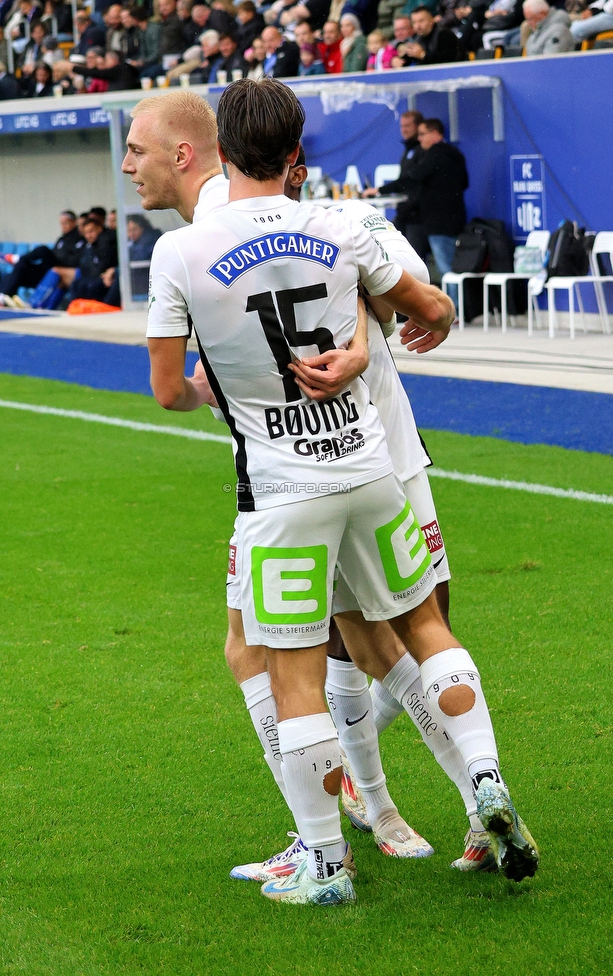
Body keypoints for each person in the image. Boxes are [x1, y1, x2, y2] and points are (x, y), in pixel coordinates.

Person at [140, 81, 538, 904]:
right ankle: (465, 793)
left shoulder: (199, 234)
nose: (127, 166)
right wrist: (370, 338)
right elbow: (422, 297)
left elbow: (171, 385)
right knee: (404, 628)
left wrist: (233, 387)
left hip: (298, 468)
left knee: (281, 652)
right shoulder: (328, 217)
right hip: (374, 460)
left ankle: (327, 844)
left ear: (199, 151)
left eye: (138, 150)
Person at [379, 117, 468, 278]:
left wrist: (380, 190)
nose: (419, 139)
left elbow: (412, 178)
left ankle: (452, 304)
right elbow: (465, 183)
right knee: (454, 269)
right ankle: (458, 302)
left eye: (422, 134)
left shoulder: (434, 154)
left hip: (438, 222)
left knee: (446, 270)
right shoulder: (456, 153)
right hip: (456, 218)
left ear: (434, 133)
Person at [363, 110, 428, 261]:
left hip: (417, 216)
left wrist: (379, 190)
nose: (404, 130)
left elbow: (409, 180)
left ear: (418, 127)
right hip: (405, 213)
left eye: (408, 126)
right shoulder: (408, 150)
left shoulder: (423, 151)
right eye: (402, 126)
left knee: (415, 260)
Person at [0, 209, 84, 301]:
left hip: (60, 270)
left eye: (66, 223)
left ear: (74, 222)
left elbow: (73, 261)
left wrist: (57, 259)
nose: (63, 226)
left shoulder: (80, 240)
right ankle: (3, 296)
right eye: (61, 223)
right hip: (46, 271)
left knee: (43, 250)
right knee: (20, 266)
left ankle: (18, 258)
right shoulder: (62, 239)